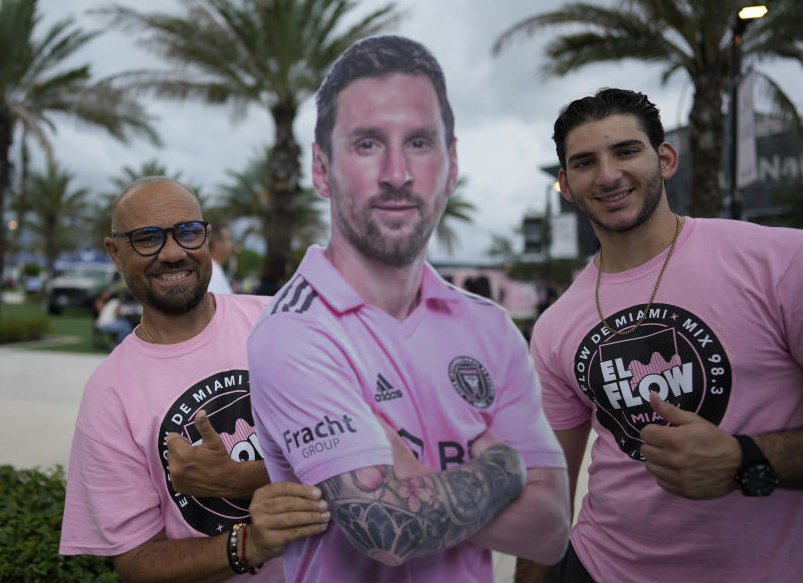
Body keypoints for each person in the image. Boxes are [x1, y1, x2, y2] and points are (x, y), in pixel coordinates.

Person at [247, 35, 570, 582]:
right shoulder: (294, 333)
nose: (397, 173)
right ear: (321, 170)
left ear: (451, 164)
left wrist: (420, 485)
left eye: (419, 143)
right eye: (368, 143)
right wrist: (500, 465)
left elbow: (552, 529)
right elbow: (389, 528)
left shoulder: (488, 328)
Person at [516, 88, 803, 583]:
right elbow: (549, 486)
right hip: (600, 567)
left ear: (665, 159)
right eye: (585, 163)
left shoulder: (778, 263)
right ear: (565, 184)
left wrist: (745, 459)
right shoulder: (557, 326)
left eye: (626, 151)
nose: (607, 175)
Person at [60, 177, 329, 582]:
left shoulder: (281, 320)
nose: (172, 254)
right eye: (147, 238)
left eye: (187, 232)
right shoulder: (108, 395)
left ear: (205, 238)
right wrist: (249, 545)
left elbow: (376, 450)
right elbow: (137, 562)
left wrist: (238, 479)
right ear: (115, 252)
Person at [208, 224, 234, 294]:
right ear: (217, 244)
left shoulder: (213, 270)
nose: (231, 244)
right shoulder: (213, 273)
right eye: (229, 239)